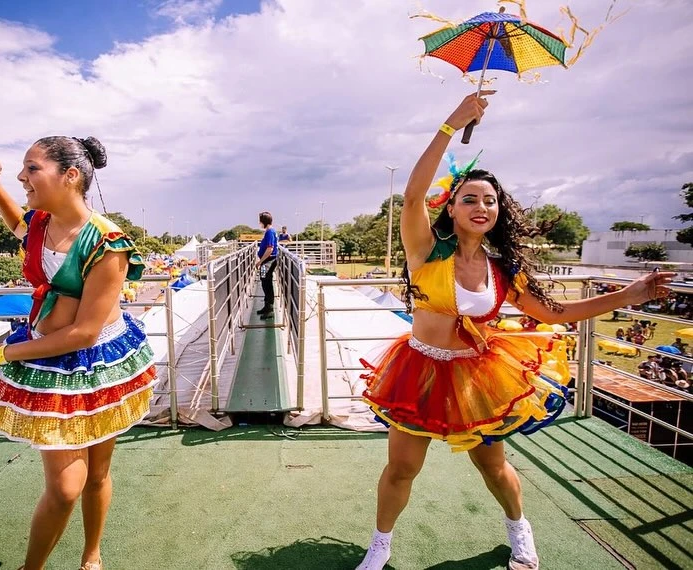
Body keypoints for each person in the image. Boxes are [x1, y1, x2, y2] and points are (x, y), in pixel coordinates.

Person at [356, 92, 675, 570]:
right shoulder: (424, 249)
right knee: (402, 469)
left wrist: (628, 297)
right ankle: (379, 547)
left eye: (490, 200)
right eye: (471, 199)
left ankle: (518, 528)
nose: (482, 206)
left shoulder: (503, 268)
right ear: (452, 208)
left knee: (494, 468)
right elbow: (414, 194)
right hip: (417, 371)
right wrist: (452, 123)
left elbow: (555, 315)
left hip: (476, 377)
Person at [0, 135, 156, 570]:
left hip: (98, 360)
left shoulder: (107, 244)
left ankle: (92, 554)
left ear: (70, 176)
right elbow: (19, 225)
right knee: (65, 487)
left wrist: (3, 353)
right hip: (50, 357)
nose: (21, 176)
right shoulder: (42, 223)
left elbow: (84, 332)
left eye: (31, 169)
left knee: (97, 472)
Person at [255, 211, 279, 320]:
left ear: (264, 221)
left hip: (268, 261)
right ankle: (266, 306)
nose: (259, 223)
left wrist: (260, 261)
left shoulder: (270, 232)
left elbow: (270, 249)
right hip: (266, 261)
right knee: (264, 282)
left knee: (267, 283)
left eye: (260, 221)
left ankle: (270, 309)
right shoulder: (270, 231)